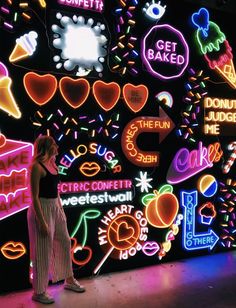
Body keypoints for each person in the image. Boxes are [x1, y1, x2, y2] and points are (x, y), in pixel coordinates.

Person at [27, 135, 85, 305]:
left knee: (65, 242)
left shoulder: (53, 164)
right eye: (54, 144)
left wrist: (61, 210)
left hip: (54, 207)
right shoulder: (36, 167)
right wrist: (42, 221)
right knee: (42, 251)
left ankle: (68, 279)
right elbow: (34, 197)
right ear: (46, 147)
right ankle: (39, 292)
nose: (57, 146)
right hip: (42, 209)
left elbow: (56, 191)